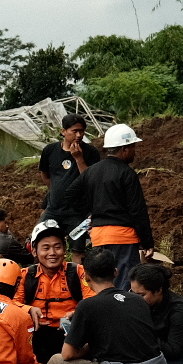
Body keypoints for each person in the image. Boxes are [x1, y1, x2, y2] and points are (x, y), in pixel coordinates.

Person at [50, 248, 168, 364]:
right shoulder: (138, 300)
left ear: (86, 276)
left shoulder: (87, 306)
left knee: (55, 362)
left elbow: (68, 354)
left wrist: (84, 336)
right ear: (115, 272)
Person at [64, 122, 152, 290]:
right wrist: (147, 242)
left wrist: (91, 212)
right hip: (123, 237)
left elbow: (70, 194)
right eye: (133, 147)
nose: (134, 151)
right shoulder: (127, 173)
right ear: (124, 149)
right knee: (124, 285)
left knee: (104, 281)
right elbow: (138, 210)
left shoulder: (92, 171)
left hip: (99, 236)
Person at [20, 221, 87, 360]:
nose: (52, 253)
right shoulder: (25, 275)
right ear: (34, 251)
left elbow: (93, 299)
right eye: (46, 248)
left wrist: (77, 314)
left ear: (65, 250)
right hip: (36, 335)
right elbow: (11, 304)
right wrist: (27, 310)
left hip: (71, 336)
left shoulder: (78, 272)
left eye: (57, 247)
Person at [38, 113, 101, 255]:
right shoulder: (50, 150)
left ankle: (76, 275)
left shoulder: (90, 152)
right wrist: (57, 191)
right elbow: (46, 176)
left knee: (78, 250)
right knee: (41, 244)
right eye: (75, 131)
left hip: (78, 213)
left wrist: (79, 159)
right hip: (53, 210)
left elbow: (91, 180)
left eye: (82, 131)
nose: (79, 135)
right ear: (63, 131)